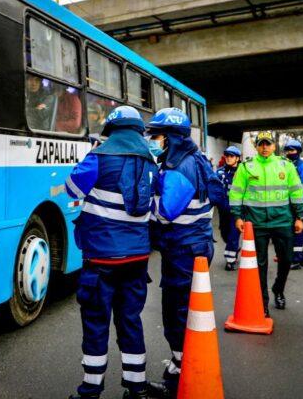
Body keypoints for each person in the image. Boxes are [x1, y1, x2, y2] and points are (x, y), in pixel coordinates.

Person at [65, 106, 158, 399]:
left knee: (96, 323)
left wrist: (92, 153)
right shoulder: (151, 161)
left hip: (101, 258)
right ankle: (137, 387)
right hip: (138, 258)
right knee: (130, 320)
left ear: (111, 131)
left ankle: (91, 390)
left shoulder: (99, 157)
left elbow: (71, 189)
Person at [145, 108, 226, 399]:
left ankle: (180, 377)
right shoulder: (191, 159)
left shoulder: (180, 166)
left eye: (156, 135)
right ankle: (181, 366)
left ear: (171, 138)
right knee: (184, 309)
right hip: (192, 244)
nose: (152, 140)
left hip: (183, 248)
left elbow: (166, 211)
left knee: (177, 310)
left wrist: (142, 203)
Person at [230, 131, 303, 316]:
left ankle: (278, 289)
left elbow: (296, 192)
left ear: (273, 146)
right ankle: (262, 303)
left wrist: (299, 217)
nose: (264, 147)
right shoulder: (246, 167)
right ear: (256, 146)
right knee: (259, 265)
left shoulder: (285, 166)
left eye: (268, 144)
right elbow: (236, 193)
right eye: (261, 144)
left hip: (282, 221)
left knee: (287, 260)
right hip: (256, 224)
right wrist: (237, 216)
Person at [283, 140, 303, 270]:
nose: (289, 153)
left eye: (292, 150)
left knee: (297, 231)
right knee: (299, 231)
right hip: (288, 205)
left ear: (298, 152)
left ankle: (295, 260)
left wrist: (302, 205)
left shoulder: (302, 166)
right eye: (288, 150)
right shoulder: (285, 165)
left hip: (300, 205)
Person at [217, 146, 243, 271]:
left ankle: (230, 260)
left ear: (237, 158)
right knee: (224, 233)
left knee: (233, 233)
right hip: (223, 209)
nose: (228, 158)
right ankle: (233, 247)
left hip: (236, 209)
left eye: (231, 156)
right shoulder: (220, 172)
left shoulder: (242, 172)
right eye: (227, 156)